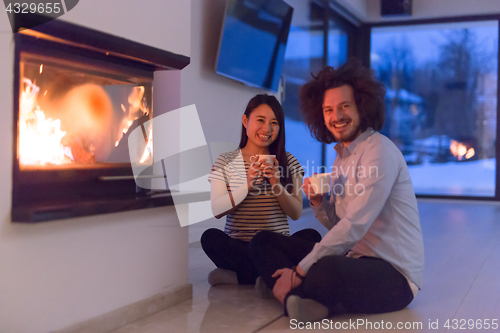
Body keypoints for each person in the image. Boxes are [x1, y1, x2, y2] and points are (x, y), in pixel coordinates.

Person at [248, 59, 424, 322]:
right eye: (328, 109)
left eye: (344, 106)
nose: (336, 116)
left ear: (362, 107)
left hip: (394, 275)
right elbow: (340, 227)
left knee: (323, 268)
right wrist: (319, 204)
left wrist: (299, 270)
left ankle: (287, 288)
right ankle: (298, 297)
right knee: (264, 240)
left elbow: (354, 226)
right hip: (354, 256)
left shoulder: (380, 151)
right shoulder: (342, 157)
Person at [202, 94, 321, 288]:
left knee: (312, 237)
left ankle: (243, 277)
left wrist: (276, 183)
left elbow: (296, 212)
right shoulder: (226, 161)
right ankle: (272, 275)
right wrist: (247, 184)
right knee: (210, 238)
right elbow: (217, 210)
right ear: (245, 120)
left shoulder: (288, 162)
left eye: (274, 123)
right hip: (240, 246)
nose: (267, 129)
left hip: (274, 245)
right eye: (260, 120)